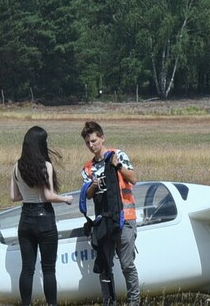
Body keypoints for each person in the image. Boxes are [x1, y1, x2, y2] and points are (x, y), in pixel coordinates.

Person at [10, 126, 74, 306]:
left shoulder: (17, 166)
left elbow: (14, 196)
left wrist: (28, 194)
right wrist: (66, 199)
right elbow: (49, 196)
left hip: (25, 219)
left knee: (27, 269)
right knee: (48, 269)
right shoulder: (45, 166)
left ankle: (26, 304)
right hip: (44, 217)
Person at [80, 121, 139, 306]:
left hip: (125, 218)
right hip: (103, 222)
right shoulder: (88, 169)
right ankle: (109, 301)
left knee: (127, 265)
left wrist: (117, 166)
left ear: (102, 138)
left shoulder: (118, 155)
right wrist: (93, 187)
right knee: (105, 266)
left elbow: (134, 179)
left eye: (94, 141)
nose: (91, 145)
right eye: (88, 142)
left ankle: (134, 302)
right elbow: (87, 195)